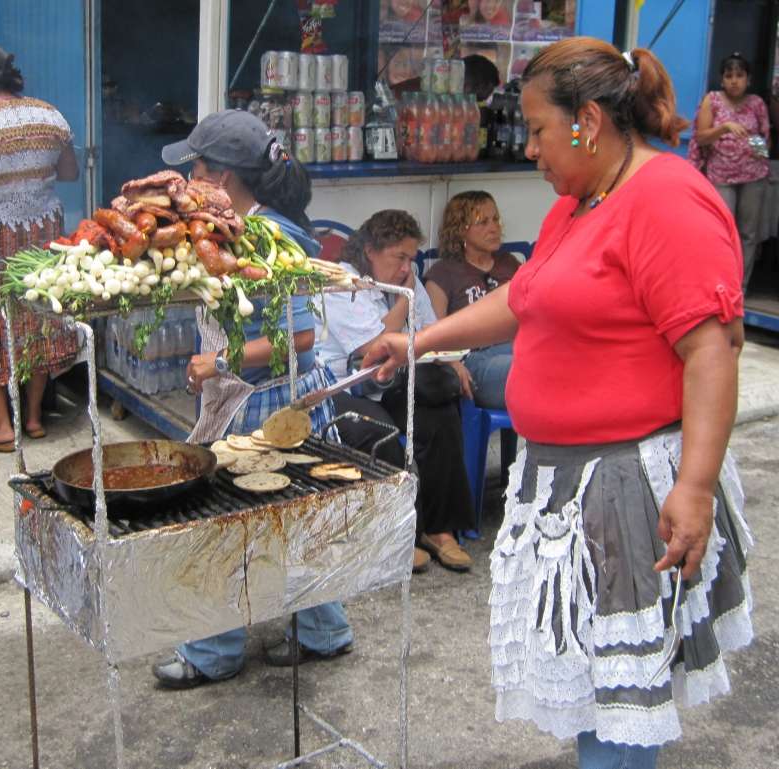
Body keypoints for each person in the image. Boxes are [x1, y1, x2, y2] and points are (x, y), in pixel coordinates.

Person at [362, 38, 753, 769]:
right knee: (591, 691)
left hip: (628, 489)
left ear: (591, 122)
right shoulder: (579, 205)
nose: (532, 149)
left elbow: (711, 350)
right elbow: (525, 297)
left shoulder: (667, 199)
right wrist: (419, 340)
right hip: (568, 486)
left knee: (622, 705)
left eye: (540, 131)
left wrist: (695, 488)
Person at [151, 110, 353, 689]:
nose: (188, 177)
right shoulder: (237, 228)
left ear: (224, 179)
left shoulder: (269, 238)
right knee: (290, 526)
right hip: (257, 398)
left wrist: (215, 362)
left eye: (195, 167)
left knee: (225, 528)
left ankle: (212, 653)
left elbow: (301, 339)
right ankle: (324, 630)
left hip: (271, 406)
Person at [315, 210, 474, 574]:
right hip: (344, 385)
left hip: (388, 378)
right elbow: (375, 345)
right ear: (370, 251)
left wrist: (452, 362)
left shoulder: (406, 277)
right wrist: (403, 299)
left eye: (411, 258)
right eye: (399, 258)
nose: (407, 267)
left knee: (439, 406)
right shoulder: (345, 284)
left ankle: (439, 528)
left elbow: (432, 329)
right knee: (378, 430)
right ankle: (398, 536)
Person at [0, 45, 79, 451]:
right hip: (43, 230)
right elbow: (69, 172)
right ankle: (35, 417)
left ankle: (1, 424)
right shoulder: (50, 115)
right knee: (37, 317)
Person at [425, 191, 518, 410]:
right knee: (530, 368)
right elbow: (430, 330)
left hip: (518, 346)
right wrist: (452, 363)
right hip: (474, 360)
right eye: (482, 222)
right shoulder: (443, 273)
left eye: (496, 219)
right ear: (460, 230)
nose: (494, 228)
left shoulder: (509, 264)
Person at [691, 52, 770, 289]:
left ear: (748, 79)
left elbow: (766, 140)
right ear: (722, 79)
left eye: (740, 75)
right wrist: (724, 127)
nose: (734, 80)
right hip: (721, 176)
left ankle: (740, 287)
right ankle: (718, 285)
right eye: (729, 76)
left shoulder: (756, 103)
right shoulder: (712, 100)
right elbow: (701, 137)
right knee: (722, 232)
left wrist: (759, 147)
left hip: (753, 175)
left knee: (748, 235)